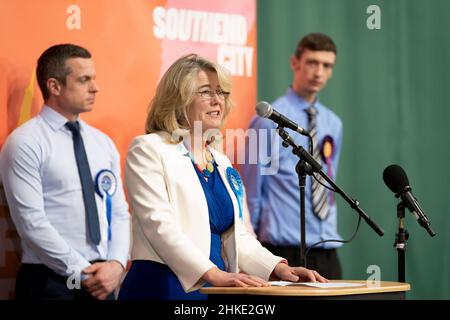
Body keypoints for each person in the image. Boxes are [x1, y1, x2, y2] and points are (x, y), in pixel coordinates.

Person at [118, 53, 326, 300]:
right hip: (163, 285)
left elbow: (239, 235)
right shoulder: (149, 148)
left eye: (222, 93)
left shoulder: (221, 161)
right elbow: (158, 224)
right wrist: (213, 273)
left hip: (215, 288)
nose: (218, 100)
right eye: (206, 92)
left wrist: (278, 268)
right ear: (177, 100)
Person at [0, 44, 131, 300]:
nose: (96, 87)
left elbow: (119, 212)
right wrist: (83, 273)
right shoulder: (25, 142)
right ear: (54, 86)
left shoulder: (102, 143)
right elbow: (31, 223)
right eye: (84, 80)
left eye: (93, 78)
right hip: (50, 280)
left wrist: (116, 264)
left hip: (104, 280)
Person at [241, 33, 343, 279]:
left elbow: (327, 183)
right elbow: (251, 192)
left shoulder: (333, 123)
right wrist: (252, 252)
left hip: (327, 248)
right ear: (295, 63)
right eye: (312, 62)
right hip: (283, 250)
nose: (319, 72)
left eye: (326, 65)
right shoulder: (267, 122)